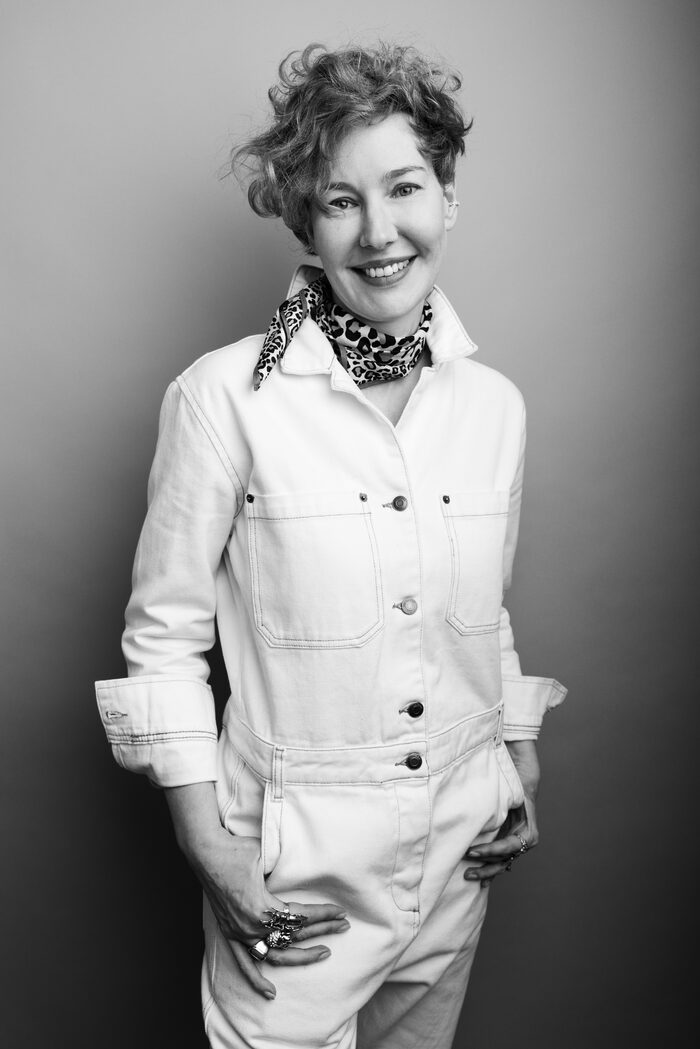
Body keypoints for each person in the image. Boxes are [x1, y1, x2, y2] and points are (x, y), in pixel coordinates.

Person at [95, 43, 567, 1049]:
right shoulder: (223, 399)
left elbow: (482, 610)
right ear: (305, 222)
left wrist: (514, 758)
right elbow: (163, 638)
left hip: (457, 857)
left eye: (405, 187)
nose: (380, 231)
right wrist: (209, 846)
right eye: (341, 200)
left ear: (448, 197)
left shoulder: (495, 407)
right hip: (294, 881)